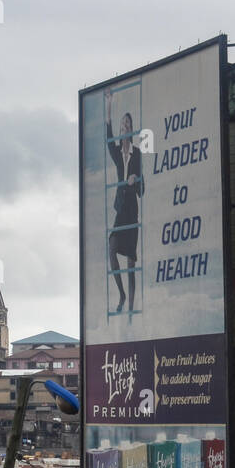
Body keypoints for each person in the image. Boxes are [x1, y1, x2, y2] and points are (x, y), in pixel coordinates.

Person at [105, 89, 143, 313]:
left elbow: (142, 186)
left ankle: (130, 306)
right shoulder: (117, 151)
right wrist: (109, 103)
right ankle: (121, 294)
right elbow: (107, 134)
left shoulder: (137, 153)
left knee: (131, 262)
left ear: (131, 129)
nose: (124, 128)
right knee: (112, 249)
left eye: (127, 125)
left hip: (132, 208)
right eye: (122, 125)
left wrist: (135, 179)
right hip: (121, 207)